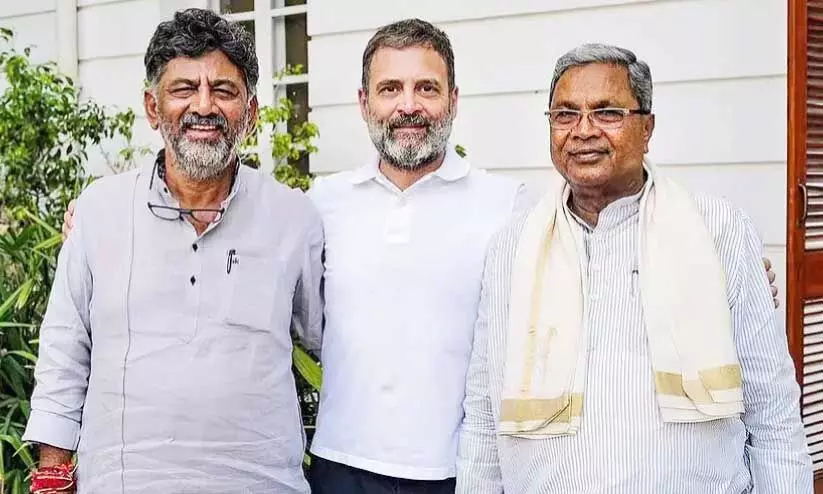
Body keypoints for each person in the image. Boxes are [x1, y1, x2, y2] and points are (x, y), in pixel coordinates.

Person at [59, 20, 782, 493]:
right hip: (341, 468)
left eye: (425, 88)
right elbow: (275, 299)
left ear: (453, 101)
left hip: (459, 469)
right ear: (364, 103)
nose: (409, 105)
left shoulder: (517, 212)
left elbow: (606, 272)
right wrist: (102, 223)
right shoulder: (314, 207)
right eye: (390, 89)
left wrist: (735, 279)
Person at [455, 43, 811, 493]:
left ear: (647, 128)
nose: (583, 131)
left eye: (607, 113)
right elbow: (485, 416)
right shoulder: (513, 248)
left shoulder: (718, 231)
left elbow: (773, 412)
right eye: (564, 115)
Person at [24, 9, 322, 493]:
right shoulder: (100, 212)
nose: (203, 106)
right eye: (183, 89)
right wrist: (54, 474)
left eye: (223, 91)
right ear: (152, 106)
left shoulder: (294, 218)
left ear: (250, 112)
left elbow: (331, 337)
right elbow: (64, 352)